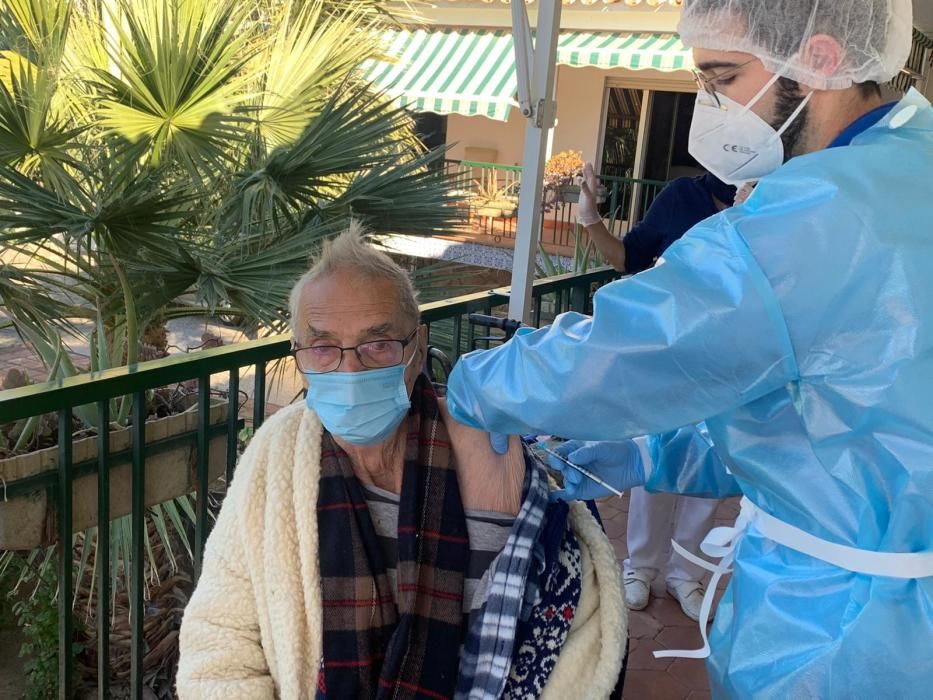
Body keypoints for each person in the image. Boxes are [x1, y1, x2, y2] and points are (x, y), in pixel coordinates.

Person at [445, 1, 933, 697]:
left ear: (821, 59)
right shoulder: (910, 161)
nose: (710, 107)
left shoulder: (821, 210)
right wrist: (650, 451)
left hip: (843, 639)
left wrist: (472, 384)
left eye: (724, 77)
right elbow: (844, 420)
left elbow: (635, 345)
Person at [176, 223, 627, 699]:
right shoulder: (275, 460)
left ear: (416, 349)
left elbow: (572, 640)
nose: (350, 369)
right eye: (324, 347)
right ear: (300, 356)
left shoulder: (494, 457)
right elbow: (220, 640)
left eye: (378, 344)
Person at [579, 168, 737, 620]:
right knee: (657, 459)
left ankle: (686, 573)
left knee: (711, 466)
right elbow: (627, 258)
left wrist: (751, 213)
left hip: (733, 361)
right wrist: (591, 219)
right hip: (670, 354)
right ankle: (641, 568)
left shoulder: (779, 201)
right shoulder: (684, 195)